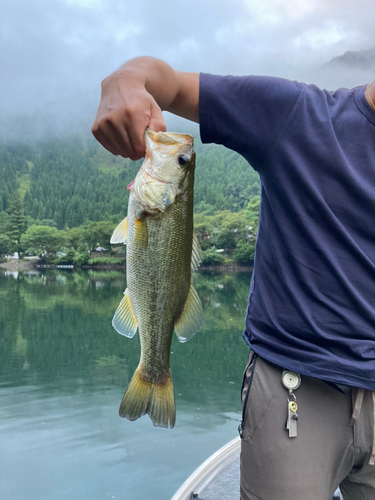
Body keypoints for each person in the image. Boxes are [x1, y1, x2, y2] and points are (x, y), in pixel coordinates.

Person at [92, 57, 375, 500]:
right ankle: (154, 368)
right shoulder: (296, 112)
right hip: (294, 390)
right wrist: (124, 80)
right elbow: (165, 83)